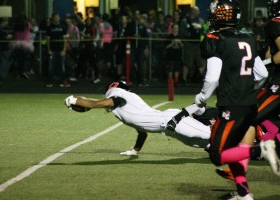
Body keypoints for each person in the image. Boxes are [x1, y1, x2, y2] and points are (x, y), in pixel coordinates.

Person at [169, 1, 278, 199]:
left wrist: (201, 98)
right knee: (235, 151)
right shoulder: (248, 37)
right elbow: (261, 74)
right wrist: (247, 88)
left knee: (217, 155)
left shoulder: (214, 38)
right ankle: (244, 194)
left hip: (232, 106)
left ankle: (259, 149)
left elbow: (212, 77)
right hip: (251, 104)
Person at [64, 81, 213, 154]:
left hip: (174, 121)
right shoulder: (125, 106)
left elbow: (96, 104)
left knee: (216, 137)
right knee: (209, 146)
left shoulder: (118, 96)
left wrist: (74, 100)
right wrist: (135, 150)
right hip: (170, 129)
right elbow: (141, 130)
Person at [180, 6, 204, 84]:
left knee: (200, 62)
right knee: (187, 63)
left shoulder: (200, 21)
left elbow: (203, 31)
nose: (198, 13)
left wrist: (200, 28)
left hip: (198, 44)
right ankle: (184, 79)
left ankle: (203, 79)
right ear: (193, 11)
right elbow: (182, 33)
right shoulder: (185, 21)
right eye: (197, 11)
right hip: (189, 44)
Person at [46, 13, 70, 87]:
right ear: (53, 18)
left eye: (57, 17)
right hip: (52, 50)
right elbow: (47, 40)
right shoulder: (50, 27)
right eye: (55, 17)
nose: (56, 18)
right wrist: (49, 50)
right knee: (50, 67)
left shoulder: (63, 27)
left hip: (60, 50)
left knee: (62, 67)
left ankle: (62, 82)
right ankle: (50, 82)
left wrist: (64, 50)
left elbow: (65, 39)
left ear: (59, 18)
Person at [10, 14, 34, 80]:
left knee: (19, 59)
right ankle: (24, 72)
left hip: (16, 43)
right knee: (26, 58)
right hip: (26, 43)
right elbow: (32, 30)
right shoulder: (27, 24)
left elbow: (13, 32)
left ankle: (20, 73)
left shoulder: (16, 24)